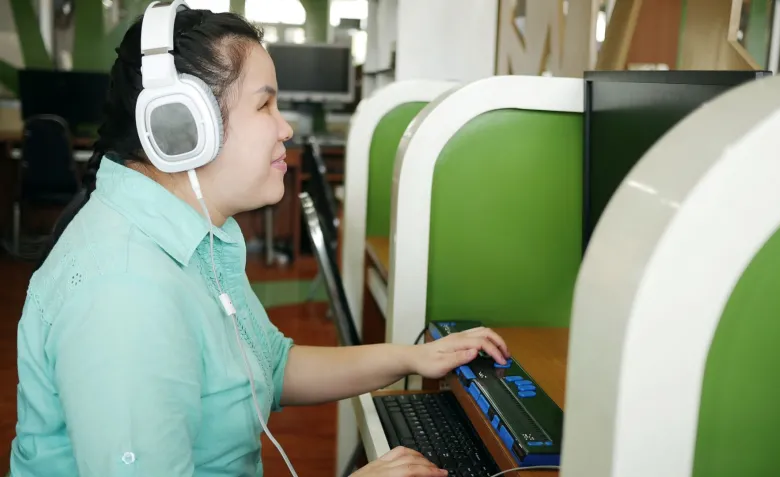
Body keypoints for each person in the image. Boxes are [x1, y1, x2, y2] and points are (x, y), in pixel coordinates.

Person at [9, 5, 510, 477]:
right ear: (182, 128)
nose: (285, 127)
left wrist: (413, 357)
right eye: (265, 104)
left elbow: (272, 364)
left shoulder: (193, 237)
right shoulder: (125, 295)